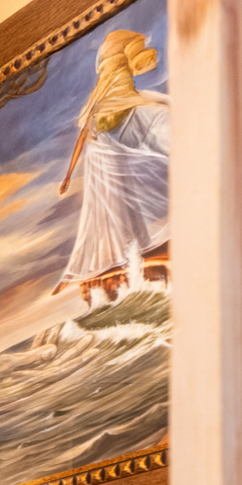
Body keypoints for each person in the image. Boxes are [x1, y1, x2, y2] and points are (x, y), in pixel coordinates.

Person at [54, 28, 171, 304]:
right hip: (101, 167)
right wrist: (68, 176)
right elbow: (81, 141)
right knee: (107, 215)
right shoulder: (95, 110)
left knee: (129, 207)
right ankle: (121, 263)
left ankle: (142, 255)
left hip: (116, 162)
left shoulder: (129, 104)